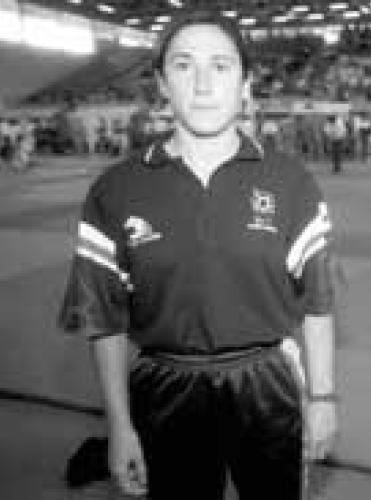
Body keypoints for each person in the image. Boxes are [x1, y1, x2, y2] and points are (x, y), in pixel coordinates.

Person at [57, 12, 338, 500]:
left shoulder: (292, 183)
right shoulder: (114, 191)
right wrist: (119, 425)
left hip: (267, 382)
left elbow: (317, 304)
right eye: (184, 65)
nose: (203, 84)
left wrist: (323, 396)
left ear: (245, 84)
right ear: (162, 84)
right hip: (165, 386)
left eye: (221, 66)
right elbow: (105, 321)